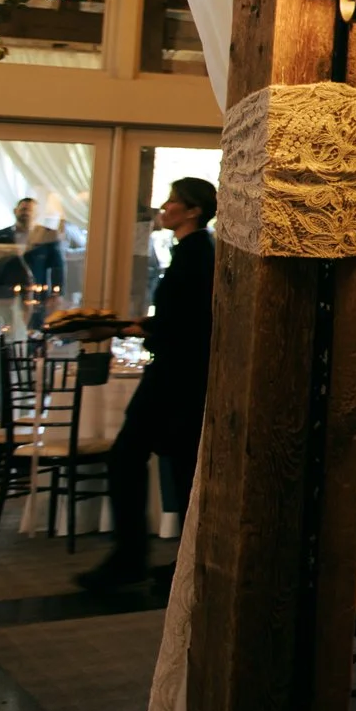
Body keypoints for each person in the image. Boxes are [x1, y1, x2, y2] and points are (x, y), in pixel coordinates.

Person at [79, 177, 216, 591]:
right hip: (180, 374)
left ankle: (135, 558)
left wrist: (128, 330)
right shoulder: (193, 251)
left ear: (193, 210)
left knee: (133, 457)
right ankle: (178, 561)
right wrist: (130, 325)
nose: (165, 207)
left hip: (176, 376)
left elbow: (187, 322)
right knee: (177, 465)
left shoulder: (196, 253)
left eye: (173, 201)